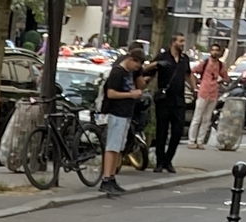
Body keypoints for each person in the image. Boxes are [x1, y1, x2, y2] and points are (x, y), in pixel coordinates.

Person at [97, 49, 148, 196]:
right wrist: (131, 94)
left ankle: (112, 177)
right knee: (112, 147)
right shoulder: (118, 72)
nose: (136, 69)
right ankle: (106, 178)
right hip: (117, 113)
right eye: (136, 65)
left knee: (118, 148)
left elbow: (139, 84)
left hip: (126, 114)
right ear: (131, 59)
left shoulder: (129, 73)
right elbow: (111, 93)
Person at [151, 36, 192, 170]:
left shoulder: (184, 59)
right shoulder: (163, 56)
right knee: (161, 131)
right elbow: (147, 69)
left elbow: (188, 74)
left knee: (178, 131)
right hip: (164, 100)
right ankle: (160, 162)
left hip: (179, 100)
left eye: (183, 41)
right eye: (180, 41)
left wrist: (194, 88)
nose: (183, 44)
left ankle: (169, 159)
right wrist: (157, 64)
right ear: (173, 42)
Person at [191, 42, 229, 144]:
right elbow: (193, 72)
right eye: (213, 50)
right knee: (197, 118)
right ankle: (191, 141)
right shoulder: (204, 63)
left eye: (217, 50)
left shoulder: (221, 65)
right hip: (203, 91)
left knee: (207, 119)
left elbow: (226, 78)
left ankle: (200, 141)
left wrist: (220, 80)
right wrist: (195, 86)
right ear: (210, 51)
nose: (215, 52)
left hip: (213, 93)